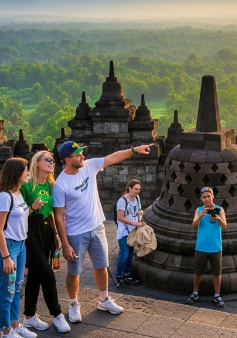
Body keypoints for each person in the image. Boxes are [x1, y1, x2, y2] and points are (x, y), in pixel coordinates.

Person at [53, 141, 154, 322]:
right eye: (77, 154)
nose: (82, 156)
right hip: (75, 233)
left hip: (97, 227)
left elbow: (112, 158)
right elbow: (58, 217)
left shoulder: (89, 166)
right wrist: (65, 244)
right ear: (67, 159)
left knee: (102, 265)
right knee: (74, 271)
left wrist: (134, 150)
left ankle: (104, 299)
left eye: (82, 153)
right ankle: (74, 303)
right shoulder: (60, 184)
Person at [20, 151, 70, 333]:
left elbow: (53, 212)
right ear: (37, 163)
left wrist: (55, 233)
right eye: (47, 159)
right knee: (48, 276)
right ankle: (57, 314)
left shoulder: (51, 185)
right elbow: (16, 213)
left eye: (53, 160)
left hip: (47, 230)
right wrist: (32, 208)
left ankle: (29, 317)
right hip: (30, 232)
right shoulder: (26, 186)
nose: (51, 162)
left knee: (35, 277)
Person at [0, 158, 37, 338]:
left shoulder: (17, 193)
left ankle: (15, 325)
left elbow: (17, 217)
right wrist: (6, 257)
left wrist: (32, 208)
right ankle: (6, 331)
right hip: (8, 248)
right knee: (6, 292)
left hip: (20, 246)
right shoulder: (4, 196)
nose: (28, 173)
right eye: (25, 170)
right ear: (16, 173)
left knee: (17, 287)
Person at [186, 187, 227, 307]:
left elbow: (224, 225)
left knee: (217, 272)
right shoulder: (199, 210)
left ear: (213, 196)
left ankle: (217, 295)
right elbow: (193, 225)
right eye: (204, 197)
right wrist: (200, 216)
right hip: (201, 246)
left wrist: (217, 218)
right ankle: (195, 292)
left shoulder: (219, 209)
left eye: (209, 196)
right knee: (198, 272)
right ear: (201, 199)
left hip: (216, 247)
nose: (207, 199)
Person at [115, 179, 145, 286]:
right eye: (136, 189)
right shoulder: (122, 200)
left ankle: (127, 273)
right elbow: (120, 217)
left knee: (131, 253)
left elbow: (138, 212)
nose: (137, 191)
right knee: (124, 254)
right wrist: (134, 223)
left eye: (139, 189)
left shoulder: (137, 198)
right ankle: (118, 275)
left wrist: (140, 222)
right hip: (124, 231)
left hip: (134, 230)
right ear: (130, 188)